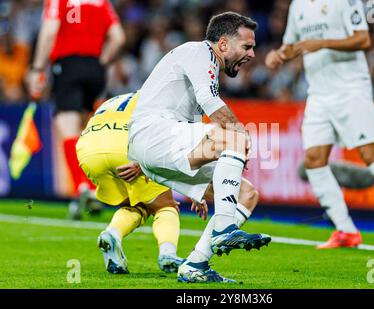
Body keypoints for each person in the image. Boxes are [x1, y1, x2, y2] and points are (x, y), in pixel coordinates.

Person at [265, 0, 374, 249]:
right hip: (318, 94)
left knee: (371, 155)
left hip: (351, 90)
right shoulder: (297, 5)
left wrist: (323, 43)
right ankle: (346, 230)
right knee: (314, 160)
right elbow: (292, 46)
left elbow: (363, 40)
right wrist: (278, 55)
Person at [128, 12, 271, 283]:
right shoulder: (200, 52)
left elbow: (193, 124)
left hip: (158, 148)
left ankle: (195, 265)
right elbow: (210, 102)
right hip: (155, 134)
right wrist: (240, 135)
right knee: (234, 137)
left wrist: (194, 183)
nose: (252, 54)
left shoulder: (203, 69)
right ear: (224, 44)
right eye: (247, 46)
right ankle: (224, 229)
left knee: (247, 194)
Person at [27, 0, 125, 218]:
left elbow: (50, 30)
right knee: (83, 129)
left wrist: (37, 67)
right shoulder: (102, 2)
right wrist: (101, 62)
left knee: (66, 126)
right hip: (95, 70)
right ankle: (90, 187)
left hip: (68, 66)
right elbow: (119, 37)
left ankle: (84, 187)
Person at [76, 92, 187, 274]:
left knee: (137, 205)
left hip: (88, 150)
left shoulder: (120, 97)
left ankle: (113, 234)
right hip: (125, 149)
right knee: (164, 206)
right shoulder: (170, 99)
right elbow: (174, 144)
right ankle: (168, 253)